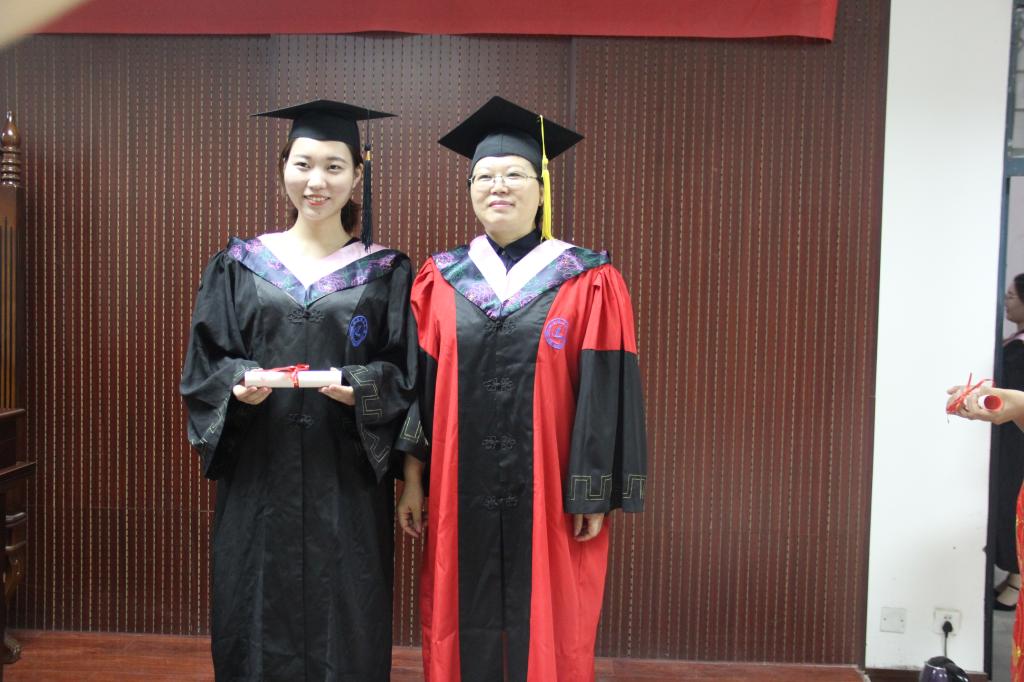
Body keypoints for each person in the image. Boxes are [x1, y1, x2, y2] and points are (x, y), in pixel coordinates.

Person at [398, 96, 648, 682]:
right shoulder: (439, 280)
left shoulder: (588, 279)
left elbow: (606, 394)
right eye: (484, 176)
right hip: (458, 491)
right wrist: (412, 479)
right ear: (469, 190)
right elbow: (419, 388)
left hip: (550, 492)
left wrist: (593, 492)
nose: (499, 186)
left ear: (542, 189)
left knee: (552, 618)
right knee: (458, 613)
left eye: (514, 174)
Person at [180, 100, 422, 681]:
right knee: (254, 607)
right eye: (304, 164)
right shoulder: (239, 265)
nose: (317, 181)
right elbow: (205, 365)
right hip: (260, 479)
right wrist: (238, 384)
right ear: (283, 166)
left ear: (358, 174)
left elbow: (406, 374)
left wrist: (360, 387)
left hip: (346, 485)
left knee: (348, 613)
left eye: (334, 167)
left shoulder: (386, 271)